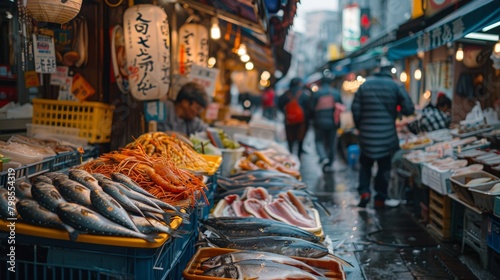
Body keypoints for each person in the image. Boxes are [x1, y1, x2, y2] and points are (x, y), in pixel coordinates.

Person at [351, 63, 415, 209]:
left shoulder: (364, 85)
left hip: (366, 135)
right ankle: (380, 198)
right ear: (391, 74)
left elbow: (355, 109)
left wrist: (360, 126)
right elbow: (409, 109)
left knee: (365, 165)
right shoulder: (395, 86)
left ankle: (364, 193)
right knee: (384, 167)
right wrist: (398, 112)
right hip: (387, 134)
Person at [309, 76, 342, 171]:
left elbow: (311, 108)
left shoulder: (317, 93)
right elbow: (340, 107)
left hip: (319, 121)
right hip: (333, 122)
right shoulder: (336, 93)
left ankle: (323, 157)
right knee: (331, 143)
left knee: (319, 141)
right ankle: (330, 163)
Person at [278, 77, 310, 159]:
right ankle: (298, 155)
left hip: (289, 120)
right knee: (300, 138)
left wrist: (286, 113)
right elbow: (309, 107)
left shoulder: (286, 94)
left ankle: (290, 154)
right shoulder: (304, 94)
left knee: (290, 138)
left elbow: (279, 104)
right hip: (302, 122)